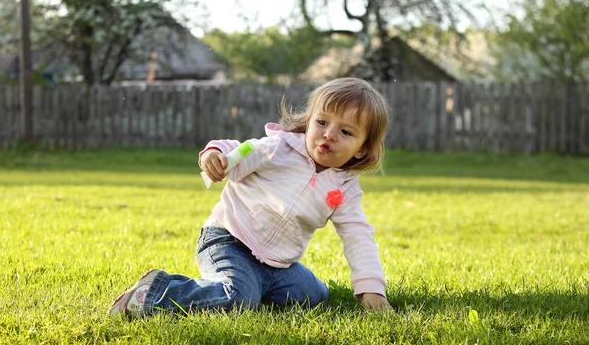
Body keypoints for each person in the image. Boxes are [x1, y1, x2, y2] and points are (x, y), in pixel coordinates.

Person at [107, 77, 394, 317]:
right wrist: (216, 155)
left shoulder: (344, 188)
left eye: (345, 131)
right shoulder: (278, 149)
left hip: (277, 264)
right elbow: (240, 150)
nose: (328, 135)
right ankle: (156, 291)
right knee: (238, 300)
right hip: (229, 240)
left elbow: (358, 236)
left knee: (313, 296)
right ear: (309, 122)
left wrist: (371, 289)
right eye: (321, 122)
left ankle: (256, 287)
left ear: (361, 148)